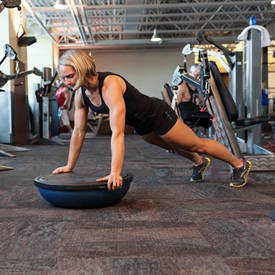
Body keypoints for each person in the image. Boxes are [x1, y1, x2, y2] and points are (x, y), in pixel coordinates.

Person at [52, 50, 252, 190]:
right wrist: (69, 165)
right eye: (63, 79)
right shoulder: (81, 95)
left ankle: (238, 164)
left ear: (82, 68)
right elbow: (78, 132)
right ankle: (199, 163)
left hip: (156, 114)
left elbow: (118, 133)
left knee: (195, 143)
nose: (66, 83)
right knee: (171, 145)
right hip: (141, 124)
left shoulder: (109, 85)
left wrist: (115, 172)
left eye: (69, 76)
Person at [175, 63, 212, 129]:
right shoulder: (183, 85)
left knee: (211, 117)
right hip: (186, 113)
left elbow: (202, 101)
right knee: (209, 118)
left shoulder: (196, 85)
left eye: (200, 76)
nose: (198, 78)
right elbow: (175, 104)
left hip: (192, 109)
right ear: (190, 73)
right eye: (196, 75)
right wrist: (178, 121)